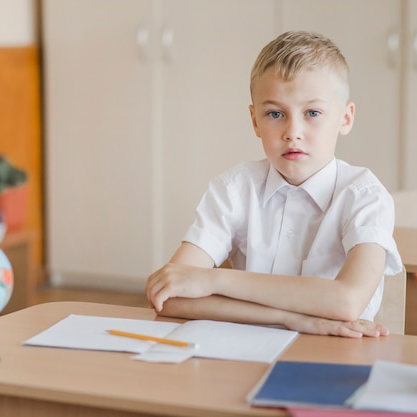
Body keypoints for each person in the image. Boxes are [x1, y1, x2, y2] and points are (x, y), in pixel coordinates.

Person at [146, 31, 403, 338]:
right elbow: (170, 296)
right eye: (275, 114)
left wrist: (213, 281)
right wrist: (289, 318)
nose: (293, 131)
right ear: (255, 120)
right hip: (244, 353)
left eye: (312, 113)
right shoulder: (234, 188)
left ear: (345, 119)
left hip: (336, 355)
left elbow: (347, 301)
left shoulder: (364, 196)